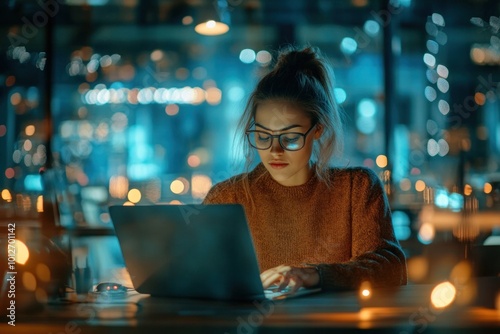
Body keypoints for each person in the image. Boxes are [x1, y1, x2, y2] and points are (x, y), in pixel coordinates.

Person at [203, 46, 407, 292]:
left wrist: (317, 275)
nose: (274, 150)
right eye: (263, 136)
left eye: (290, 138)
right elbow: (195, 275)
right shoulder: (228, 198)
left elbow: (391, 268)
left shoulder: (356, 188)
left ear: (318, 129)